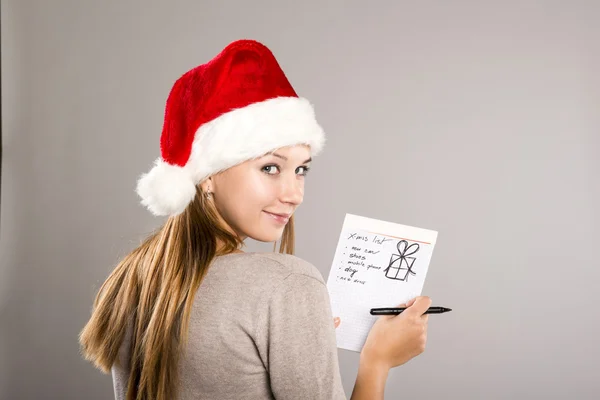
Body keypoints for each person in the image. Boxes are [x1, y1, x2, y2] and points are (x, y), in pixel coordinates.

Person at [79, 39, 431, 400]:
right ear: (208, 175)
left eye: (301, 170)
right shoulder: (286, 284)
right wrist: (378, 360)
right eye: (270, 167)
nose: (294, 193)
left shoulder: (131, 278)